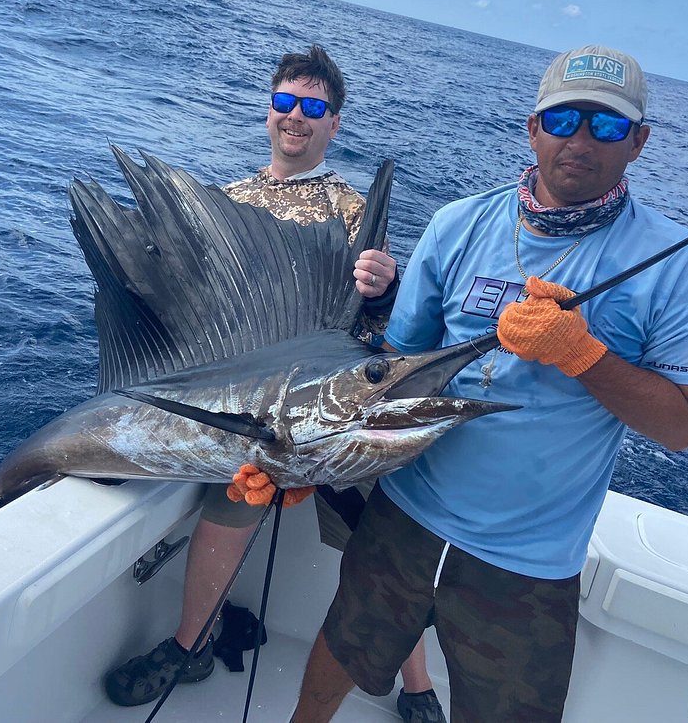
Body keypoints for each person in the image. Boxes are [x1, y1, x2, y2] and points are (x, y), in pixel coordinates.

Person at [288, 45, 688, 722]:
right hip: (405, 515)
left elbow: (683, 426)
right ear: (533, 128)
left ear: (639, 142)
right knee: (342, 647)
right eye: (564, 120)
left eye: (606, 126)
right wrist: (301, 460)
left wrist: (582, 354)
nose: (580, 140)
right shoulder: (456, 224)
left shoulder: (678, 264)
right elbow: (395, 373)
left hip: (530, 562)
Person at [105, 45, 447, 723]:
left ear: (334, 124)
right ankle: (189, 645)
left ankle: (418, 684)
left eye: (313, 107)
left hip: (336, 418)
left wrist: (388, 283)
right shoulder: (226, 202)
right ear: (269, 111)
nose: (296, 117)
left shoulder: (351, 211)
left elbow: (379, 332)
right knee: (225, 514)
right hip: (252, 421)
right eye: (286, 103)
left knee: (383, 545)